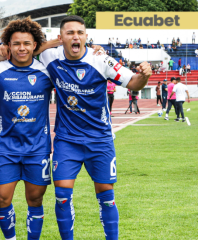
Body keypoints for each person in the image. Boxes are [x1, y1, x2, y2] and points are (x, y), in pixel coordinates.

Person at [39, 15, 151, 240]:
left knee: (106, 196)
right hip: (67, 139)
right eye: (70, 33)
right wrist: (50, 43)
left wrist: (144, 75)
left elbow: (133, 83)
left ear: (86, 36)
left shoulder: (102, 60)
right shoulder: (49, 56)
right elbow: (25, 50)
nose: (75, 37)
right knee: (61, 195)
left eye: (80, 32)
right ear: (61, 37)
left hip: (99, 140)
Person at [0, 18, 54, 240]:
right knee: (2, 199)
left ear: (35, 45)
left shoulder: (47, 71)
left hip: (38, 148)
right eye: (16, 43)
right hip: (5, 147)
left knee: (35, 200)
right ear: (8, 45)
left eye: (27, 43)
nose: (22, 48)